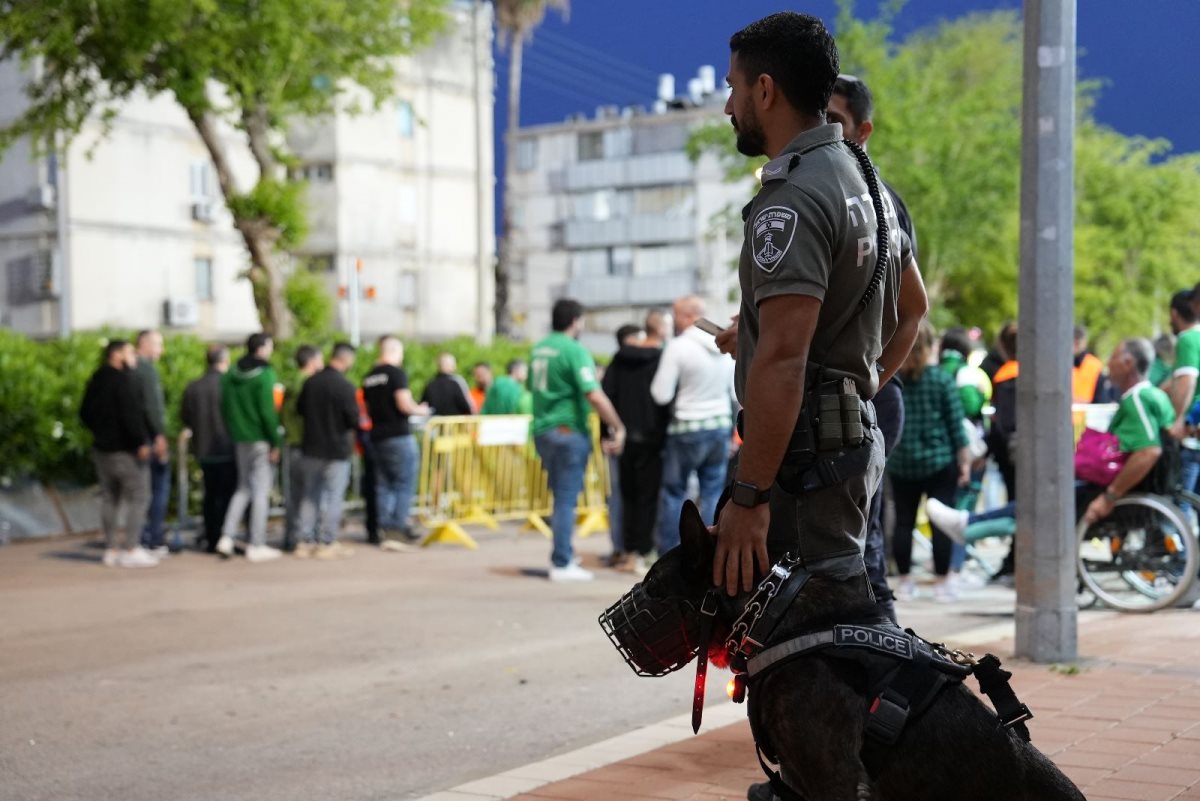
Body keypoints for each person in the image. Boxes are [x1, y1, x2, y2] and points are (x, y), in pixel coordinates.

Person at [710, 12, 914, 603]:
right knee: (836, 617)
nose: (728, 106)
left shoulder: (793, 198)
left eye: (733, 87)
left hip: (801, 463)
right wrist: (864, 385)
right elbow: (914, 307)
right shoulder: (865, 180)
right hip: (840, 446)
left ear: (765, 90)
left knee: (801, 649)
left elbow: (782, 359)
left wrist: (750, 496)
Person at [826, 72, 930, 624]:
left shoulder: (874, 202)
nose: (823, 132)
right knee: (854, 546)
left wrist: (867, 382)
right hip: (853, 401)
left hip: (859, 402)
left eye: (835, 122)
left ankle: (889, 660)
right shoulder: (835, 191)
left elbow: (914, 309)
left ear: (863, 130)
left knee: (859, 547)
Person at [928, 338, 1174, 534]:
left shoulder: (1138, 399)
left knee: (1040, 503)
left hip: (1117, 489)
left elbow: (1149, 451)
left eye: (1113, 357)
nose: (1108, 364)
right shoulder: (1155, 396)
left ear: (1129, 362)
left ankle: (969, 525)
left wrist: (1110, 497)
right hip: (1128, 483)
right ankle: (969, 524)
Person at [529, 298, 626, 581]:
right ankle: (562, 561)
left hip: (543, 430)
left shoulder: (539, 349)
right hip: (568, 430)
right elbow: (593, 393)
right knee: (566, 499)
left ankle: (565, 552)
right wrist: (617, 425)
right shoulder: (573, 350)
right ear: (575, 320)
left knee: (560, 496)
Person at [888, 323, 971, 602]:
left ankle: (904, 581)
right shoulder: (941, 380)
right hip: (939, 462)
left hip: (901, 463)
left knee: (903, 523)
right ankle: (942, 581)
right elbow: (956, 427)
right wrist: (965, 463)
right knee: (941, 523)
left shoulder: (892, 379)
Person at [651, 295, 736, 553]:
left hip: (686, 428)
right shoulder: (725, 344)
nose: (674, 320)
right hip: (720, 427)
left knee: (674, 493)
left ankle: (669, 553)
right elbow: (735, 393)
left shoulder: (678, 346)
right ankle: (709, 552)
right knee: (712, 493)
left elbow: (660, 393)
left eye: (675, 315)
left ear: (688, 316)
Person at [79, 339, 159, 568]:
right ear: (117, 354)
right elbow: (132, 415)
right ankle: (131, 548)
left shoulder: (97, 379)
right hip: (126, 450)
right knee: (139, 496)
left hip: (102, 449)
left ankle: (111, 548)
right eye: (129, 352)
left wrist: (101, 431)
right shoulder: (125, 380)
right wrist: (140, 442)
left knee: (110, 498)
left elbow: (84, 412)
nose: (133, 356)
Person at [603, 319, 668, 573]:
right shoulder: (662, 358)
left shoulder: (618, 359)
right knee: (648, 498)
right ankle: (644, 550)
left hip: (623, 438)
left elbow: (606, 394)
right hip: (653, 438)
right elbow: (664, 396)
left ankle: (627, 549)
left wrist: (605, 432)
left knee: (625, 496)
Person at [218, 333, 283, 563]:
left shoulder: (230, 374)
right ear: (263, 348)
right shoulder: (265, 374)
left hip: (239, 438)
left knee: (243, 488)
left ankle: (227, 536)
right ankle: (256, 543)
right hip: (260, 438)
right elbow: (268, 411)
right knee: (260, 491)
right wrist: (275, 442)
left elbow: (223, 406)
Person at [362, 335, 430, 551]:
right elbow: (404, 404)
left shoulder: (369, 377)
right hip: (398, 435)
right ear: (394, 351)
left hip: (377, 436)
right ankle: (397, 530)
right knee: (403, 483)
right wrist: (421, 410)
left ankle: (384, 530)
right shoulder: (396, 373)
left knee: (383, 486)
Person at [297, 343, 361, 559]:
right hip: (336, 449)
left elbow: (300, 410)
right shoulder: (345, 386)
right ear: (347, 360)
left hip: (311, 446)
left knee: (310, 495)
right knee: (333, 496)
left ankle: (306, 541)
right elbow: (353, 419)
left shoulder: (311, 382)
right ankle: (327, 541)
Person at [180, 345, 236, 553]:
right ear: (224, 360)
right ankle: (224, 536)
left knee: (210, 494)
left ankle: (211, 536)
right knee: (227, 494)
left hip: (203, 448)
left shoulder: (194, 387)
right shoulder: (229, 384)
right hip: (227, 447)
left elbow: (185, 416)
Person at [281, 345, 323, 552]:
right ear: (312, 361)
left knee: (294, 494)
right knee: (309, 493)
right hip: (305, 444)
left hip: (291, 442)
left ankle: (292, 536)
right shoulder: (309, 384)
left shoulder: (289, 382)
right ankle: (305, 537)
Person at [134, 329, 170, 555]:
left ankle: (138, 537)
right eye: (158, 344)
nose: (161, 350)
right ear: (144, 344)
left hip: (134, 439)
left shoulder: (129, 368)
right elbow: (152, 406)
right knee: (158, 487)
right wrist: (159, 436)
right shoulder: (146, 370)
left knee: (138, 491)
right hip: (148, 438)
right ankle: (152, 538)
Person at [1166, 290, 1200, 496]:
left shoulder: (1188, 339)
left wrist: (1178, 422)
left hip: (1192, 429)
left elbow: (1187, 380)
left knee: (1182, 502)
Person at [1073, 324, 1114, 403]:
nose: (1075, 347)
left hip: (1089, 412)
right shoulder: (1062, 365)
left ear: (1084, 342)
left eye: (1077, 343)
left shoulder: (1095, 365)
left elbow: (1101, 398)